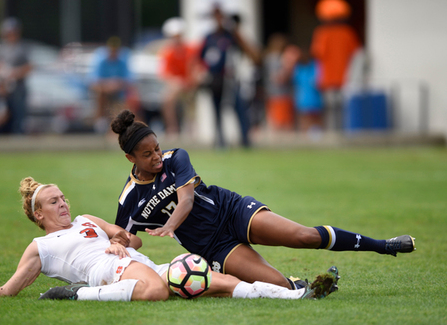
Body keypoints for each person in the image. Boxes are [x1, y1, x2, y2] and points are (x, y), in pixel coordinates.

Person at [110, 109, 416, 291]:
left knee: (304, 236)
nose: (156, 157)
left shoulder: (176, 157)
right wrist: (120, 243)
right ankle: (302, 286)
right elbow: (126, 238)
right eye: (147, 154)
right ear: (129, 158)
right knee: (280, 287)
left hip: (232, 212)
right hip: (212, 246)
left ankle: (383, 246)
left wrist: (169, 226)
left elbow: (186, 199)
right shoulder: (130, 199)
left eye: (156, 148)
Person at [0, 177, 340, 302]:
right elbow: (8, 290)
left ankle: (294, 298)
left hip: (130, 264)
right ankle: (75, 296)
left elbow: (133, 240)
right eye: (53, 201)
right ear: (38, 214)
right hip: (107, 275)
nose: (64, 203)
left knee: (210, 278)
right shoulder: (40, 249)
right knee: (158, 291)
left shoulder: (87, 219)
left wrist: (122, 238)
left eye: (63, 196)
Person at [198, 4, 261, 148]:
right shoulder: (209, 37)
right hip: (216, 80)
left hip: (232, 80)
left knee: (240, 108)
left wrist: (236, 31)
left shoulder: (231, 35)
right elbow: (200, 58)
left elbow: (253, 54)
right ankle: (220, 141)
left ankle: (245, 140)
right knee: (217, 111)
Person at [310, 0, 361, 132]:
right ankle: (344, 131)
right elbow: (356, 54)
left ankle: (332, 131)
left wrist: (317, 76)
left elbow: (317, 54)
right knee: (343, 106)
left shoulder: (322, 33)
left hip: (328, 77)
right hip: (345, 76)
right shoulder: (348, 32)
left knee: (330, 107)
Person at [158, 17, 201, 139]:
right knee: (167, 99)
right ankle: (172, 129)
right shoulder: (168, 52)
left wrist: (191, 80)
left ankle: (191, 131)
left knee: (191, 103)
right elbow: (165, 74)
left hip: (190, 85)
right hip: (177, 85)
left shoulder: (191, 50)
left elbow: (196, 68)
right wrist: (177, 82)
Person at [0, 17, 32, 135]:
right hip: (5, 90)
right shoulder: (2, 48)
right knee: (3, 115)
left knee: (19, 118)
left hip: (18, 88)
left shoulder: (22, 48)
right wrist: (3, 73)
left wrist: (14, 73)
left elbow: (29, 67)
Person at [89, 36, 132, 134]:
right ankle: (100, 121)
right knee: (101, 93)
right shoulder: (101, 61)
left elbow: (129, 80)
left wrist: (116, 85)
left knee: (126, 101)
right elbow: (93, 81)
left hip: (119, 93)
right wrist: (108, 86)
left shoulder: (122, 62)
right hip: (104, 92)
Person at [263, 33, 296, 131]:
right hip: (281, 94)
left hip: (272, 93)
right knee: (283, 122)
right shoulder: (278, 59)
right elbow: (280, 77)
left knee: (275, 120)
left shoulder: (267, 58)